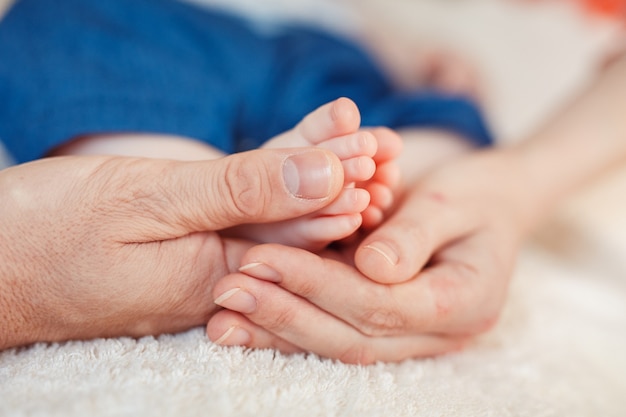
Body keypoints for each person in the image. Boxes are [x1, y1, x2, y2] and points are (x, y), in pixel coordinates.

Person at [205, 51, 626, 363]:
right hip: (236, 52)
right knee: (165, 141)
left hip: (363, 86)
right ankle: (289, 200)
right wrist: (423, 55)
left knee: (444, 131)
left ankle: (345, 197)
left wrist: (518, 184)